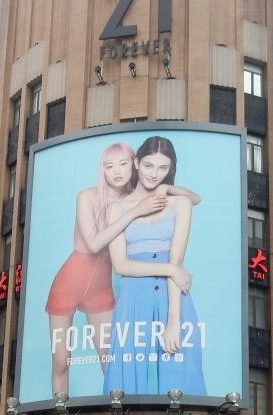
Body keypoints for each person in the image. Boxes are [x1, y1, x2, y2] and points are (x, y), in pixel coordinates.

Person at [45, 141, 199, 396]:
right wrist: (136, 211)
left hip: (102, 285)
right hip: (71, 279)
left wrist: (167, 188)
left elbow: (195, 199)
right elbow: (96, 245)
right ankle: (59, 412)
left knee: (112, 363)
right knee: (61, 361)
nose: (116, 171)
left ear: (132, 165)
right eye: (109, 165)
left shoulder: (144, 194)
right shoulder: (89, 197)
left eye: (123, 163)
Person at [103, 136, 205, 395]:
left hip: (173, 296)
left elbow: (176, 260)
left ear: (170, 169)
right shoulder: (118, 209)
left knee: (181, 371)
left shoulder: (180, 203)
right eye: (148, 165)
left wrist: (174, 320)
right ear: (137, 162)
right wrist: (170, 270)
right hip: (133, 295)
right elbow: (120, 265)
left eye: (163, 168)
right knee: (123, 375)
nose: (154, 174)